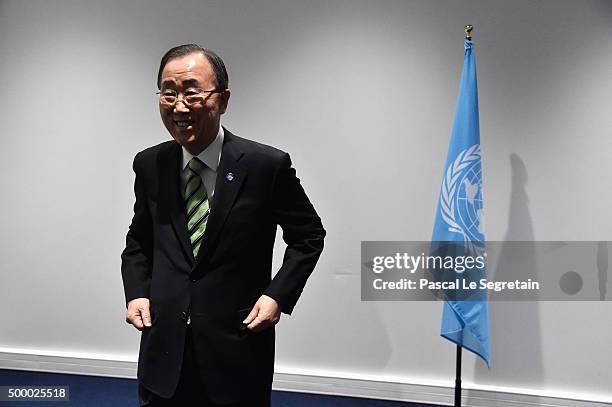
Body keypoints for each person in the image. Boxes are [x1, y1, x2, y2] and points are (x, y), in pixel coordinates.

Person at [121, 44, 325, 406]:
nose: (180, 105)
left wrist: (277, 295)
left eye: (192, 91)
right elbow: (139, 240)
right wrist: (137, 290)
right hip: (163, 351)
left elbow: (308, 236)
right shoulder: (150, 164)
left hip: (236, 350)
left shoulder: (266, 166)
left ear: (223, 99)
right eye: (169, 93)